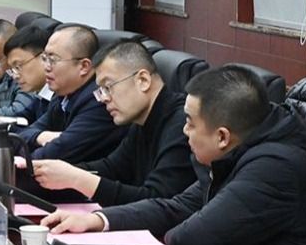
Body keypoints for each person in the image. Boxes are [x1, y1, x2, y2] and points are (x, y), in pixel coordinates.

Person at [42, 65, 306, 245]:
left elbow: (191, 240)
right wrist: (99, 220)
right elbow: (177, 207)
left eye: (189, 122)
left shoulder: (276, 168)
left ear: (222, 136)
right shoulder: (239, 155)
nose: (183, 131)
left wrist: (186, 222)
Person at [31, 40, 192, 206]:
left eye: (108, 87)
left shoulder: (183, 124)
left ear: (143, 80)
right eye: (101, 90)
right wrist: (52, 171)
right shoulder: (141, 121)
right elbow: (113, 168)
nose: (103, 99)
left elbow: (158, 202)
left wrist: (78, 179)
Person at [16, 24, 125, 162]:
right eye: (44, 58)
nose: (46, 67)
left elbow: (55, 153)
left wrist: (21, 155)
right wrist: (41, 136)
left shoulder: (99, 101)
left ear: (84, 66)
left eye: (53, 60)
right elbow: (22, 135)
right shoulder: (62, 94)